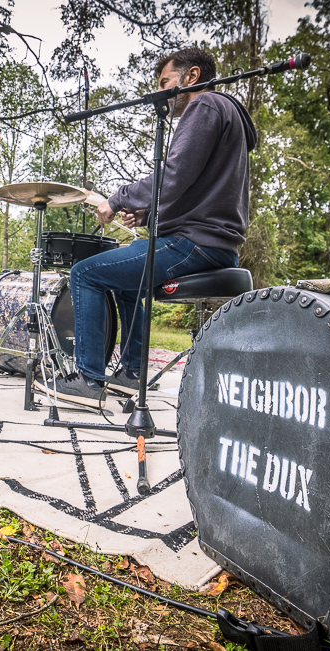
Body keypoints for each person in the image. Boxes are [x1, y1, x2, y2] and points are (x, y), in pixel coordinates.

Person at [38, 47, 257, 408]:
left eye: (165, 83)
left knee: (85, 274)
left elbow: (172, 176)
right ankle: (132, 373)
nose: (161, 93)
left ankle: (89, 382)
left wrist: (120, 197)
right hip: (210, 240)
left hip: (194, 242)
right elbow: (196, 189)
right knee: (124, 282)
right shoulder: (226, 114)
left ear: (192, 77)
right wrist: (145, 215)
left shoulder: (205, 106)